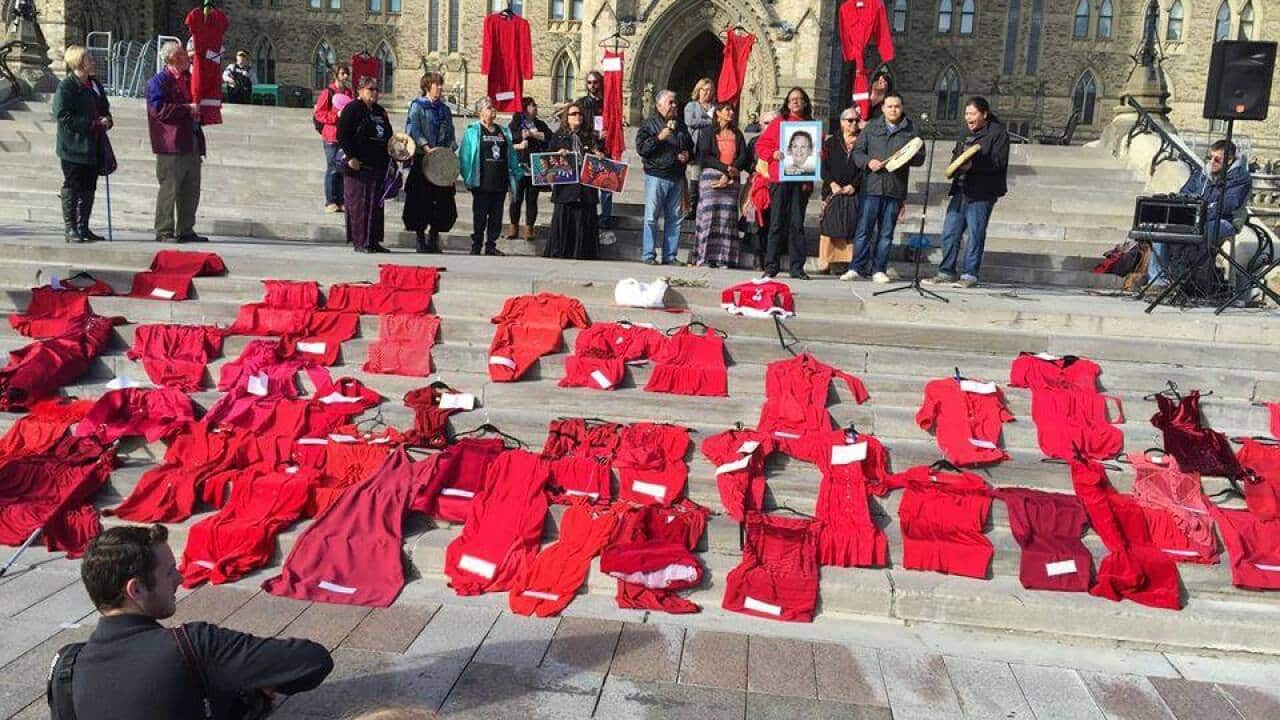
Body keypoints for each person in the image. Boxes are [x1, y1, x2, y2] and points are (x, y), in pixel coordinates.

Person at [65, 524, 333, 719]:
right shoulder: (192, 646)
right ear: (136, 590)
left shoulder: (67, 669)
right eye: (170, 572)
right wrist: (254, 679)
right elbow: (313, 661)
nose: (180, 579)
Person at [1145, 139, 1252, 292]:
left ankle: (1187, 279)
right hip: (1195, 218)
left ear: (1229, 160)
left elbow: (1228, 205)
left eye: (1217, 159)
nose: (1211, 162)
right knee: (1160, 231)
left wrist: (1200, 214)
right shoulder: (1202, 174)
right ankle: (1158, 281)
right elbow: (1185, 193)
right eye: (1210, 157)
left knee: (1200, 232)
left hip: (1225, 221)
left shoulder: (1241, 178)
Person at [926, 96, 1010, 288]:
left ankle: (970, 275)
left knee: (975, 233)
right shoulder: (965, 133)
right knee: (950, 231)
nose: (968, 118)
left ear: (984, 114)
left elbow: (998, 163)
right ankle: (946, 272)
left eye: (972, 114)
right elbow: (956, 156)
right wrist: (955, 167)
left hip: (982, 192)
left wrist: (974, 165)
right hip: (961, 189)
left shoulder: (998, 134)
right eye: (966, 114)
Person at [850, 92, 924, 282]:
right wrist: (868, 162)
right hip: (871, 187)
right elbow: (857, 152)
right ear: (883, 108)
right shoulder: (871, 127)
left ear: (902, 108)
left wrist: (907, 158)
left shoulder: (911, 130)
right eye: (890, 106)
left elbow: (920, 158)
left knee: (886, 233)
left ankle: (878, 269)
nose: (893, 110)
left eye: (897, 106)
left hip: (894, 188)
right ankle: (856, 267)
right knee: (863, 230)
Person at [147, 40, 207, 244]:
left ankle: (186, 229)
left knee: (191, 189)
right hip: (171, 144)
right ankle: (164, 230)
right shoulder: (159, 82)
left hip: (191, 141)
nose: (187, 58)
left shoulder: (190, 78)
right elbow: (159, 110)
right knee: (169, 189)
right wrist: (186, 108)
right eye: (182, 54)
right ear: (171, 58)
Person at [53, 45, 113, 244]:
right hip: (73, 146)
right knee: (73, 184)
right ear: (78, 62)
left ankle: (83, 227)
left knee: (89, 186)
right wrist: (92, 124)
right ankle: (70, 228)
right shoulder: (67, 86)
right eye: (89, 59)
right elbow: (63, 115)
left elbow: (104, 108)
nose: (93, 61)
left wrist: (107, 119)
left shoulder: (94, 84)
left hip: (93, 145)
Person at [755, 87, 816, 280]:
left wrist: (818, 154)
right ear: (787, 104)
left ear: (805, 102)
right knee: (776, 223)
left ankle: (797, 268)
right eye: (792, 99)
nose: (795, 102)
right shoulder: (779, 122)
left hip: (801, 180)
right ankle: (771, 266)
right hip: (780, 179)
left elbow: (818, 151)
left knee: (797, 224)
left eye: (799, 99)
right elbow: (761, 145)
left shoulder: (811, 126)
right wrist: (773, 154)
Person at [459, 96, 524, 256]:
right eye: (489, 108)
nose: (493, 110)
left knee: (496, 216)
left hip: (500, 181)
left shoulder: (503, 131)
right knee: (480, 215)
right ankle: (476, 244)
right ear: (480, 112)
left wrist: (517, 173)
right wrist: (467, 177)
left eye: (493, 107)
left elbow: (511, 154)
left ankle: (491, 245)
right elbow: (465, 156)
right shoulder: (473, 131)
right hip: (481, 181)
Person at [635, 89, 694, 266]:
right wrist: (658, 138)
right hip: (656, 176)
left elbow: (690, 147)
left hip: (677, 176)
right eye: (671, 102)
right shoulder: (649, 125)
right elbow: (642, 149)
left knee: (675, 219)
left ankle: (670, 255)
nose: (674, 106)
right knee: (651, 218)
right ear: (659, 105)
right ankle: (648, 255)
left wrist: (687, 155)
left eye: (675, 102)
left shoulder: (681, 126)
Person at [337, 75, 393, 253]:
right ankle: (361, 242)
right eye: (370, 89)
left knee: (376, 206)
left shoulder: (379, 111)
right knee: (360, 205)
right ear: (360, 91)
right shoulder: (353, 108)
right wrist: (351, 156)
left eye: (376, 89)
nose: (374, 93)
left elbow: (388, 135)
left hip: (377, 165)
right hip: (358, 166)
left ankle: (374, 241)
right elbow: (342, 133)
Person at [690, 102, 749, 268]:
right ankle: (704, 257)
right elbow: (704, 156)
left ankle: (724, 258)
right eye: (727, 110)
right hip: (712, 178)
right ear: (718, 113)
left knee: (727, 219)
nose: (731, 113)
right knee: (709, 217)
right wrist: (725, 168)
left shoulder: (737, 134)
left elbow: (743, 156)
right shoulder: (708, 132)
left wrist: (730, 172)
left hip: (731, 180)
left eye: (732, 110)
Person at [403, 71, 457, 253]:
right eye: (437, 84)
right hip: (423, 159)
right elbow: (415, 129)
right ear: (427, 87)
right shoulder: (418, 106)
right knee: (420, 200)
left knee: (442, 200)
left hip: (440, 161)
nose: (440, 88)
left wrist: (449, 149)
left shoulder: (445, 109)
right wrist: (426, 147)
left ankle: (434, 236)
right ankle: (420, 238)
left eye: (441, 84)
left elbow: (450, 132)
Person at [544, 103, 601, 260]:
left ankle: (583, 252)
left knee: (585, 218)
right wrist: (558, 154)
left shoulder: (589, 136)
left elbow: (599, 154)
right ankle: (561, 251)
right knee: (565, 218)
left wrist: (599, 154)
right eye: (574, 114)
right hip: (566, 187)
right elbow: (548, 159)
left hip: (585, 187)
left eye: (580, 114)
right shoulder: (558, 136)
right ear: (567, 118)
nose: (578, 116)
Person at [823, 107, 863, 278]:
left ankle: (847, 264)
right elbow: (822, 166)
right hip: (832, 190)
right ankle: (827, 261)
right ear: (841, 122)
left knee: (851, 224)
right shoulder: (831, 142)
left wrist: (854, 185)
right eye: (850, 120)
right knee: (831, 225)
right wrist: (831, 183)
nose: (854, 123)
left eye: (856, 120)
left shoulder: (864, 141)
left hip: (854, 191)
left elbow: (865, 168)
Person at [508, 95, 551, 241]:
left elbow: (549, 137)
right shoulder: (515, 124)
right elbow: (510, 140)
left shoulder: (540, 124)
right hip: (519, 166)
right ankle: (513, 227)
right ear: (525, 108)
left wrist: (533, 134)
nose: (536, 108)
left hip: (536, 166)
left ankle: (529, 228)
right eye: (533, 105)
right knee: (516, 198)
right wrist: (521, 140)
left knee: (532, 200)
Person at [575, 71, 613, 228]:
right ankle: (588, 218)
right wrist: (595, 136)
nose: (592, 86)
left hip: (606, 149)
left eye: (595, 82)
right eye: (589, 82)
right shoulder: (581, 103)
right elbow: (578, 127)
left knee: (607, 186)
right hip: (589, 149)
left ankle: (605, 219)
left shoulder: (608, 103)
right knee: (588, 187)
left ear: (601, 83)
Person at [314, 63, 352, 213]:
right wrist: (336, 116)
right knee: (332, 168)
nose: (345, 76)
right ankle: (330, 201)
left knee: (342, 168)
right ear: (336, 75)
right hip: (331, 136)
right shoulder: (328, 92)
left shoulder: (349, 93)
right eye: (342, 73)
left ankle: (341, 201)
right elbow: (319, 114)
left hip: (344, 137)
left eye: (347, 73)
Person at [684, 78, 715, 220]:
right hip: (696, 149)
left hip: (711, 150)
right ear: (698, 90)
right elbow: (690, 121)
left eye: (710, 90)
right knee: (695, 177)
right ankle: (692, 208)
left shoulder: (714, 107)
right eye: (705, 89)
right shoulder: (691, 106)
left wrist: (709, 121)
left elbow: (717, 124)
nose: (707, 93)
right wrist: (709, 121)